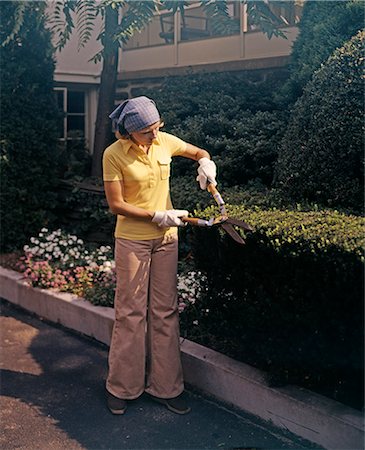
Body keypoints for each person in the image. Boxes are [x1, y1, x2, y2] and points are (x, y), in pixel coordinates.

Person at [102, 96, 217, 415]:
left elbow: (197, 151)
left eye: (157, 128)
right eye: (147, 132)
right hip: (133, 241)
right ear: (128, 132)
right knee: (131, 312)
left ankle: (166, 387)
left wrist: (205, 164)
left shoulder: (164, 141)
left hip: (166, 240)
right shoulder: (113, 155)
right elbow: (116, 205)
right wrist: (156, 215)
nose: (155, 136)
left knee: (165, 311)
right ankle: (122, 387)